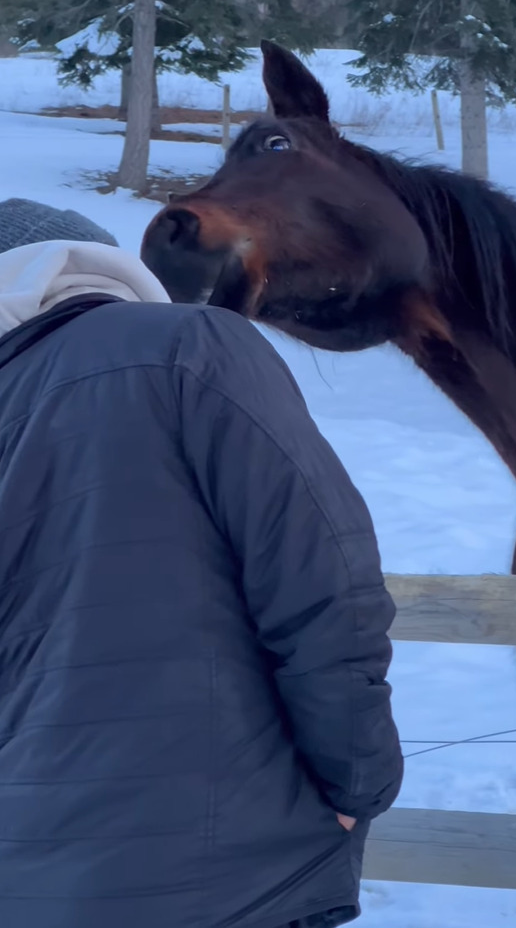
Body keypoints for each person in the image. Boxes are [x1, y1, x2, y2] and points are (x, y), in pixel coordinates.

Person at [0, 197, 403, 928]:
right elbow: (324, 581)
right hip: (221, 873)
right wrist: (356, 785)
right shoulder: (189, 345)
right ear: (99, 266)